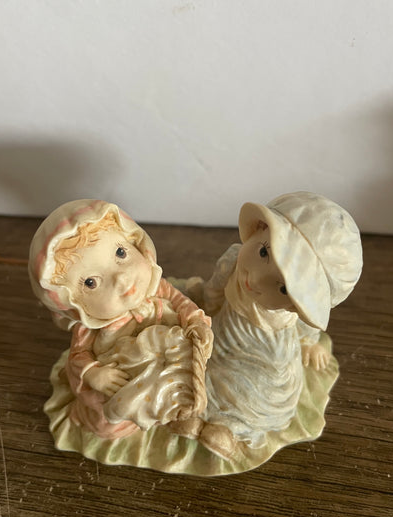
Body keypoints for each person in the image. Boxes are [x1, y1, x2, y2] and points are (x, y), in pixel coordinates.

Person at [171, 192, 362, 459]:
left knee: (261, 392)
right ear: (261, 228)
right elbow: (214, 289)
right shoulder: (233, 261)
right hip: (226, 333)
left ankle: (230, 426)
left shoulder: (293, 316)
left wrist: (309, 343)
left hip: (268, 355)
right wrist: (205, 310)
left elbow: (306, 327)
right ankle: (197, 411)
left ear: (299, 305)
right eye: (263, 252)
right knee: (201, 365)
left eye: (283, 288)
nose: (255, 280)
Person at [28, 199, 212, 440]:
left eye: (120, 253)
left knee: (192, 383)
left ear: (136, 242)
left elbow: (181, 302)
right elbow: (79, 355)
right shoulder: (92, 328)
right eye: (91, 282)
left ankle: (172, 411)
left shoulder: (157, 288)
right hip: (127, 381)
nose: (121, 279)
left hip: (167, 364)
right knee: (108, 425)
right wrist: (93, 373)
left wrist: (194, 320)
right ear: (74, 305)